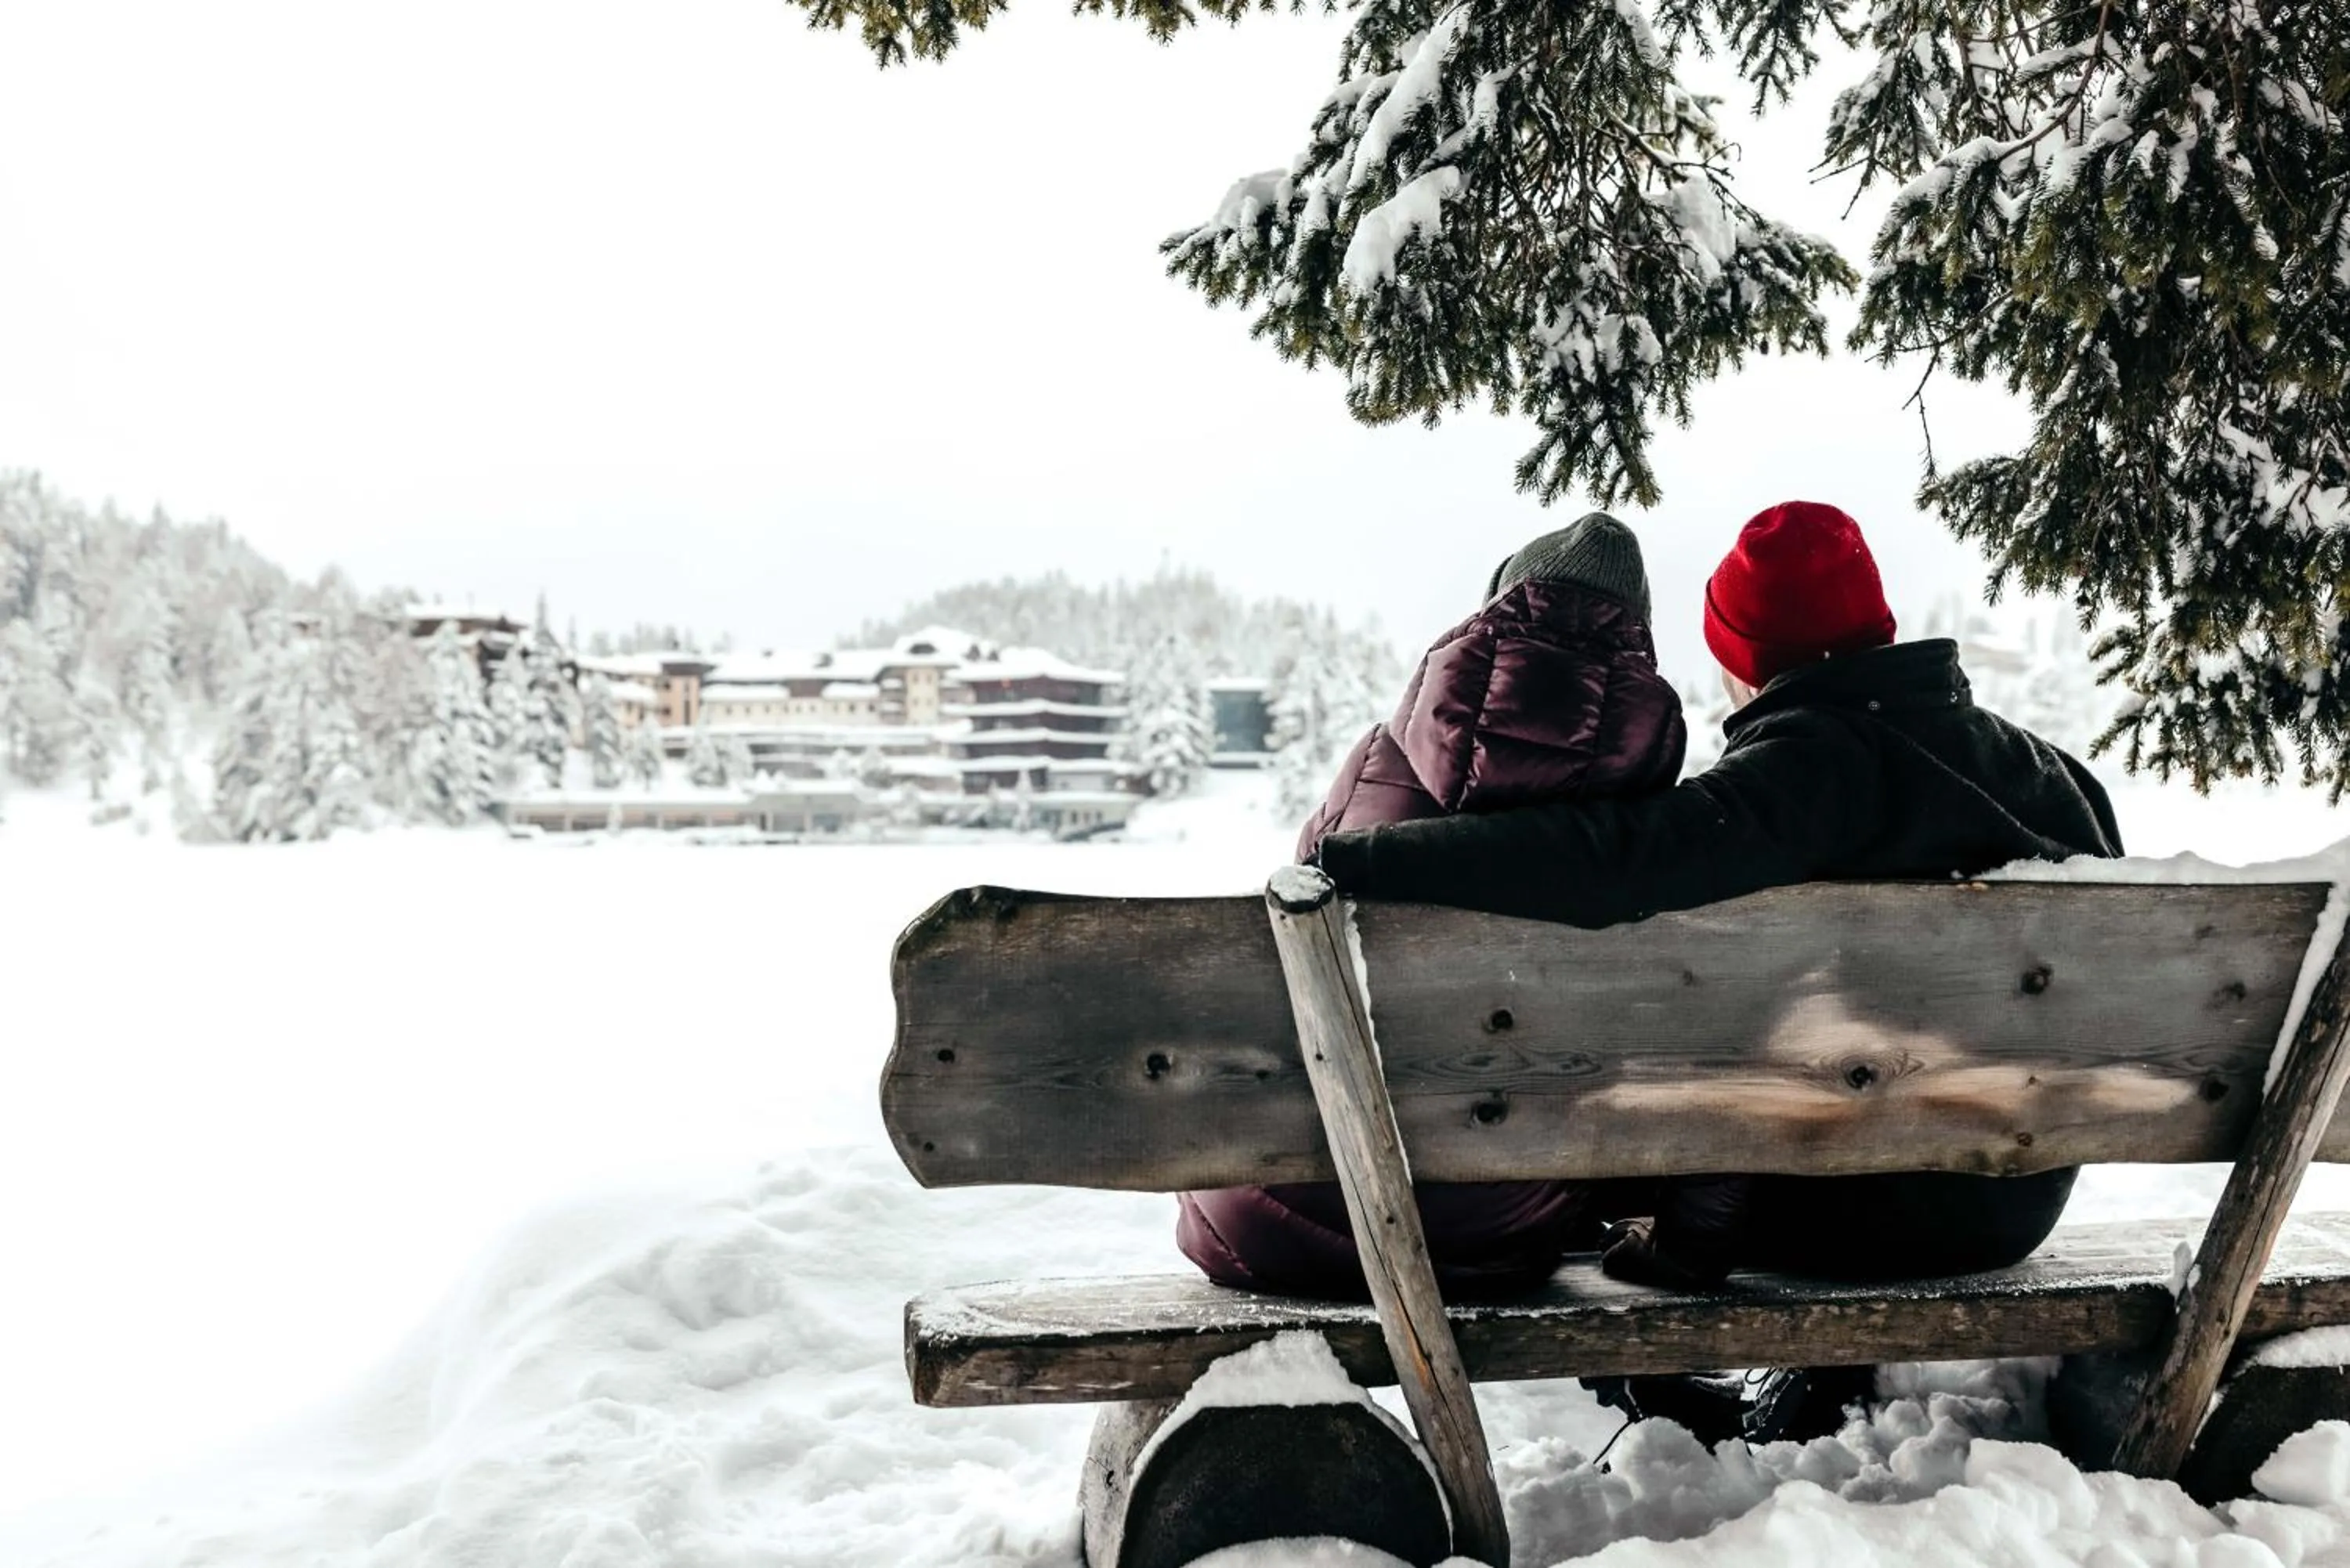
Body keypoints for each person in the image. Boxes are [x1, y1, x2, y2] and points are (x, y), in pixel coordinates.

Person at [1312, 499, 2125, 1298]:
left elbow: (1612, 862)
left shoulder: (1812, 766)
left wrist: (1366, 857)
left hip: (1870, 1210)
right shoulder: (2053, 775)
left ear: (1750, 661)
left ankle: (1652, 1397)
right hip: (2016, 1198)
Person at [1177, 511, 1688, 1299]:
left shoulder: (1381, 761)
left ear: (1493, 609)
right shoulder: (1646, 812)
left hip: (1266, 1205)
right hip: (1495, 1232)